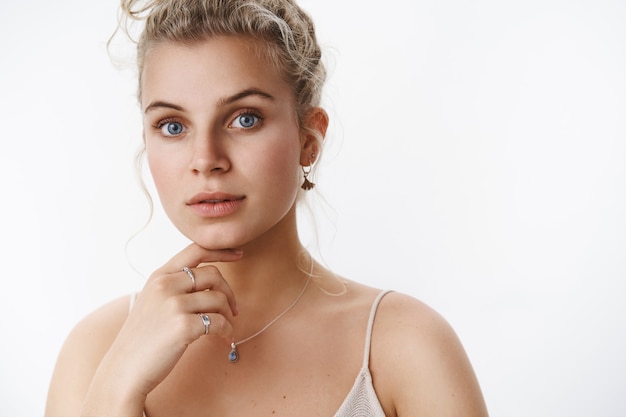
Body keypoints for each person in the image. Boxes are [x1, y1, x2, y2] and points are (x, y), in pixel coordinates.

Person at [45, 0, 488, 416]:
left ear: (309, 139)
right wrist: (116, 384)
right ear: (147, 141)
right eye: (173, 126)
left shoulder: (405, 345)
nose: (205, 159)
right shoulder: (96, 350)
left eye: (245, 118)